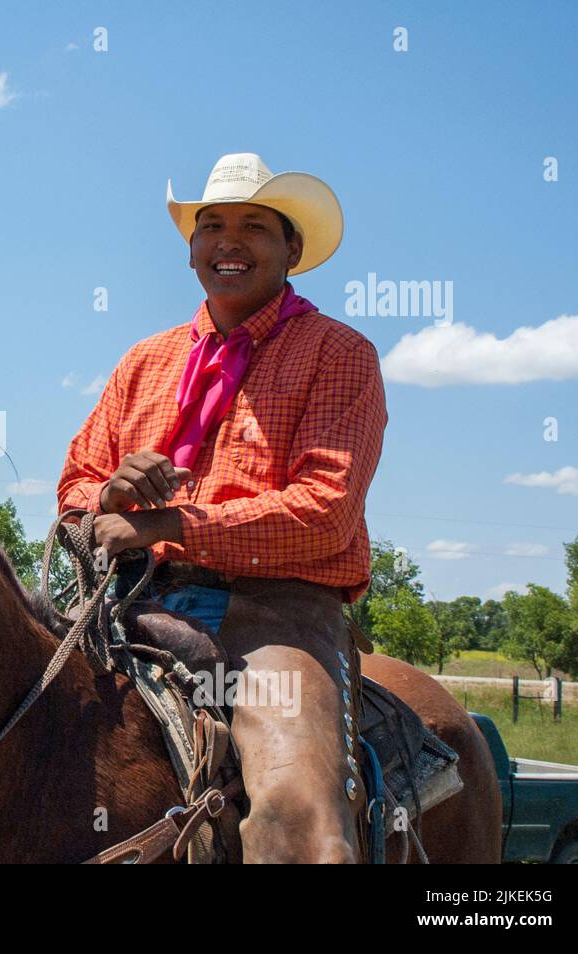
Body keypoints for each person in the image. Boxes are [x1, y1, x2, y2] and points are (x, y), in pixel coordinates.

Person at [57, 152, 387, 862]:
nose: (228, 242)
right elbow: (77, 483)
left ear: (291, 249)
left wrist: (170, 523)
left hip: (275, 611)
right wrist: (106, 498)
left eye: (254, 227)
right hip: (128, 600)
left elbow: (324, 510)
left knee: (296, 814)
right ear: (190, 249)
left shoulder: (339, 355)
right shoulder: (145, 360)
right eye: (211, 225)